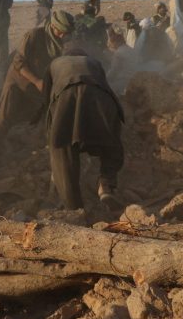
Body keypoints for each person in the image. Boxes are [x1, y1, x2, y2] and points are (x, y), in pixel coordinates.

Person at [43, 51, 124, 215]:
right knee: (111, 141)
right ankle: (106, 185)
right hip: (101, 96)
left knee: (62, 149)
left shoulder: (54, 64)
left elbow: (47, 100)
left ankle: (74, 208)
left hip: (66, 96)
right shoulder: (94, 61)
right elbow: (104, 84)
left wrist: (52, 134)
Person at [0, 10, 75, 137]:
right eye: (60, 31)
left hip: (40, 83)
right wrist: (37, 81)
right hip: (19, 79)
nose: (62, 36)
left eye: (65, 33)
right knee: (5, 115)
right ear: (53, 26)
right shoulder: (34, 35)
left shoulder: (63, 42)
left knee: (42, 113)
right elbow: (18, 62)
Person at [106, 28, 139, 95]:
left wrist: (105, 78)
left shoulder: (119, 53)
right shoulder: (130, 49)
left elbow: (114, 71)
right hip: (135, 79)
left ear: (114, 43)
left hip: (123, 82)